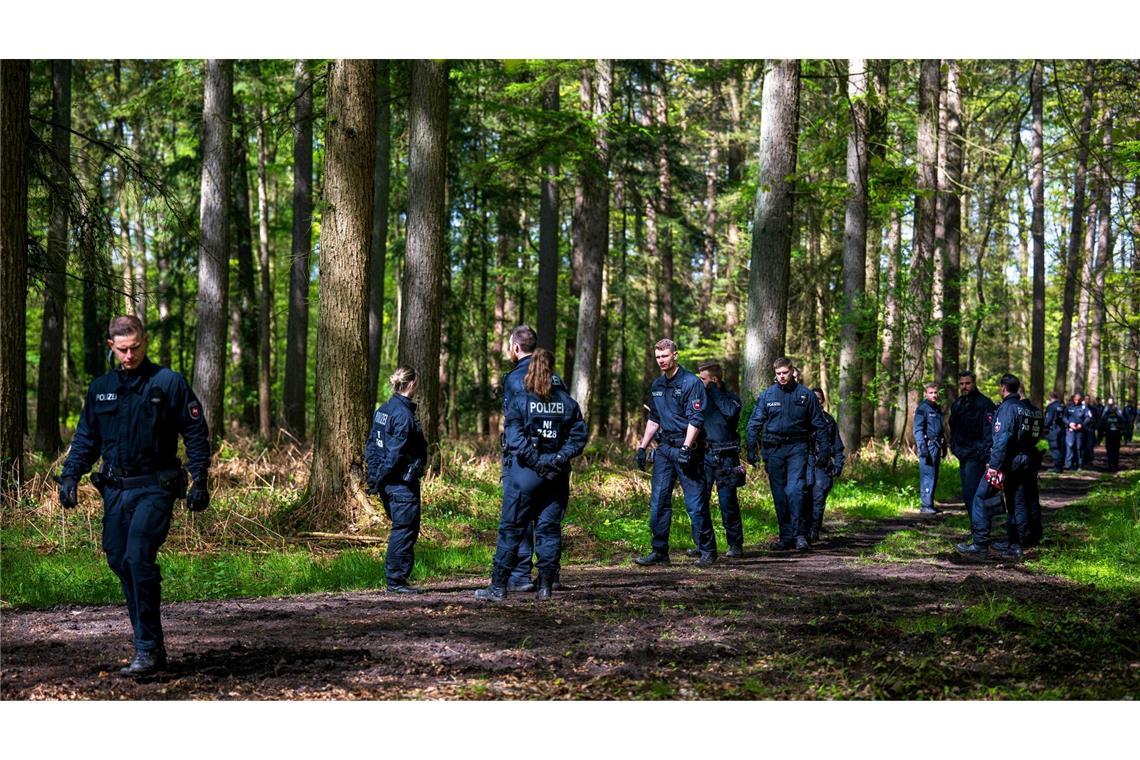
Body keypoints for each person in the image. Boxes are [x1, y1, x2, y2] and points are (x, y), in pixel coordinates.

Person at [56, 315, 211, 676]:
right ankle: (149, 644)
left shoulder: (168, 383)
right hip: (115, 491)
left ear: (145, 341)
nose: (130, 355)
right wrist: (70, 475)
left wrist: (199, 479)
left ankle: (148, 650)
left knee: (139, 555)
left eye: (136, 347)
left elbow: (195, 432)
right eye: (123, 349)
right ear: (112, 346)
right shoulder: (101, 389)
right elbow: (86, 439)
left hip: (156, 486)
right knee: (119, 559)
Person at [475, 350, 588, 600]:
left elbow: (515, 439)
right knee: (549, 528)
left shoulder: (520, 400)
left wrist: (537, 462)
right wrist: (558, 458)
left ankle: (498, 587)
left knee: (512, 527)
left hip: (526, 474)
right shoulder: (567, 402)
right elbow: (579, 437)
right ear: (551, 370)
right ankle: (546, 586)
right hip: (556, 476)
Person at [633, 339, 717, 567]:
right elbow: (654, 419)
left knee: (695, 503)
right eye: (658, 356)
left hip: (688, 448)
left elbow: (696, 419)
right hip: (664, 449)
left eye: (665, 356)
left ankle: (707, 550)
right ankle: (659, 551)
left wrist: (687, 447)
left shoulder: (691, 383)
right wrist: (642, 447)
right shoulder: (658, 386)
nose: (661, 360)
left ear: (675, 355)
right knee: (659, 501)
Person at [745, 357, 831, 551]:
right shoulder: (768, 395)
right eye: (778, 374)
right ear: (774, 374)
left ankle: (800, 535)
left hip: (798, 448)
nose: (782, 377)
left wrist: (824, 449)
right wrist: (751, 448)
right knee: (779, 493)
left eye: (785, 373)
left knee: (796, 490)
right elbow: (754, 423)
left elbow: (819, 424)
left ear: (792, 372)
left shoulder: (805, 395)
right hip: (773, 449)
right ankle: (785, 536)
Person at [956, 374, 1039, 560]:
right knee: (1015, 503)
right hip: (1025, 461)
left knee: (980, 499)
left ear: (1003, 388)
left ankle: (979, 544)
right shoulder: (1027, 409)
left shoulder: (1007, 408)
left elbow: (1002, 439)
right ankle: (1015, 546)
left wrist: (994, 465)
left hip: (1008, 462)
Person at [365, 366, 429, 594]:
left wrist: (374, 477)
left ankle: (397, 579)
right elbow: (394, 454)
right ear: (411, 384)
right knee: (405, 529)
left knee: (402, 527)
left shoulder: (383, 409)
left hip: (389, 482)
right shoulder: (402, 415)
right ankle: (396, 581)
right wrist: (378, 478)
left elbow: (372, 445)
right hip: (400, 483)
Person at [693, 361, 745, 558]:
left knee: (728, 502)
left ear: (714, 380)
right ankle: (702, 545)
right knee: (699, 501)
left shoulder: (730, 397)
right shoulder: (699, 398)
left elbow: (731, 413)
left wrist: (713, 390)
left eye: (704, 379)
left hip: (727, 457)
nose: (700, 382)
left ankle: (735, 545)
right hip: (704, 456)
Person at [949, 370, 995, 512]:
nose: (964, 386)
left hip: (976, 455)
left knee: (973, 493)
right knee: (967, 494)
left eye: (967, 383)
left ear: (974, 383)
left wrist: (983, 453)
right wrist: (955, 448)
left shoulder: (985, 403)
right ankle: (975, 526)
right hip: (962, 454)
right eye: (962, 384)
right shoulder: (957, 404)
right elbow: (953, 428)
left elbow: (990, 432)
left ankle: (979, 529)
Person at [803, 388, 844, 543]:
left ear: (823, 401)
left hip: (823, 465)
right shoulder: (801, 420)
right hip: (805, 464)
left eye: (819, 399)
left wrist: (838, 464)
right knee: (803, 497)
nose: (816, 401)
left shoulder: (829, 421)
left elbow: (838, 446)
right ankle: (801, 532)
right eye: (813, 398)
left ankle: (814, 530)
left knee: (818, 498)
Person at [912, 382, 947, 515]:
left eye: (935, 393)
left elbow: (940, 429)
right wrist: (922, 447)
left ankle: (930, 503)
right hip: (927, 445)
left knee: (933, 475)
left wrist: (944, 445)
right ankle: (925, 505)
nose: (934, 395)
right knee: (927, 475)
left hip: (936, 445)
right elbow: (918, 429)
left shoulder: (937, 408)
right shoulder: (923, 408)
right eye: (931, 393)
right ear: (925, 393)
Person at [1063, 393, 1092, 471]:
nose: (1077, 401)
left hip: (1080, 430)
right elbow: (1064, 417)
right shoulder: (1068, 407)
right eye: (1075, 399)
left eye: (1078, 400)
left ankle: (1079, 465)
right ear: (1073, 399)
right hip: (1070, 430)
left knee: (1079, 447)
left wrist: (1082, 424)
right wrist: (1069, 423)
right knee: (1070, 445)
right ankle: (1068, 464)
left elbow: (1088, 417)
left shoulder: (1084, 407)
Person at [1043, 391, 1066, 473]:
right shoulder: (1061, 406)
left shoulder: (1051, 407)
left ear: (1050, 397)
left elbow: (1048, 419)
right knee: (1060, 448)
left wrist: (1044, 426)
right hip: (1061, 430)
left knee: (1055, 449)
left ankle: (1057, 467)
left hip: (1053, 431)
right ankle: (1060, 466)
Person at [1100, 398, 1125, 471]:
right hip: (1109, 435)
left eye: (1112, 405)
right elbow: (1102, 424)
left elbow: (1123, 423)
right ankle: (1110, 464)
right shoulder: (1105, 414)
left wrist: (1122, 431)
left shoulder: (1119, 414)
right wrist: (1102, 433)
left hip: (1116, 435)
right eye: (1110, 405)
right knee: (1109, 449)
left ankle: (1115, 464)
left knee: (1116, 450)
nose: (1111, 408)